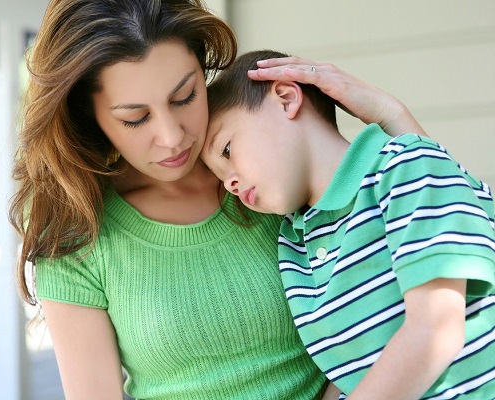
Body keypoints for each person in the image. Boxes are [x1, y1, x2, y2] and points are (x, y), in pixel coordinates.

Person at [8, 1, 433, 398]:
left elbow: (440, 234)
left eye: (185, 96)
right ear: (90, 116)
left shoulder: (269, 174)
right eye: (135, 118)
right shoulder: (79, 231)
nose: (173, 137)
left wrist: (391, 114)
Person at [200, 49, 495, 399]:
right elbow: (348, 372)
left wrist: (391, 112)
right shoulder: (294, 243)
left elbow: (436, 330)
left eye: (227, 151)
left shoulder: (405, 168)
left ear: (285, 97)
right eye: (220, 178)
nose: (229, 183)